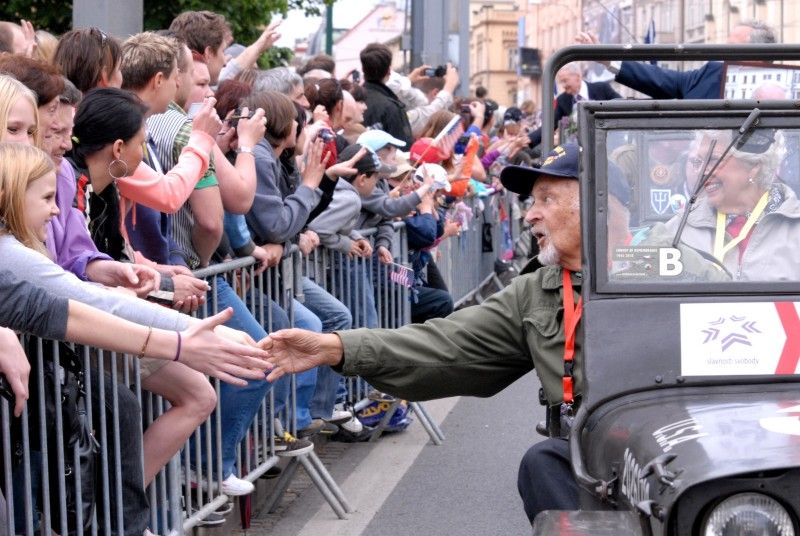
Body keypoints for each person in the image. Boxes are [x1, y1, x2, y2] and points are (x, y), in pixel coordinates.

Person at [260, 142, 602, 524]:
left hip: (664, 446)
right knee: (545, 464)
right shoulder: (537, 290)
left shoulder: (671, 271)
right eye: (532, 201)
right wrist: (335, 347)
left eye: (547, 199)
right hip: (589, 455)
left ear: (596, 199)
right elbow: (445, 343)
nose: (530, 216)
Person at [646, 128, 800, 280]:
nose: (701, 172)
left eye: (713, 160)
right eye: (698, 161)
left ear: (754, 166)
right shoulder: (678, 229)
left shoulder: (795, 229)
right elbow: (630, 278)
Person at [576, 20, 777, 100]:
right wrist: (608, 59)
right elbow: (663, 79)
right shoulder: (711, 74)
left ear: (759, 57)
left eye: (731, 48)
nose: (724, 53)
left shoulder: (782, 88)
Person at [527, 62, 621, 148]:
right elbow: (550, 124)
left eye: (565, 80)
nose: (563, 85)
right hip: (581, 149)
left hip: (609, 143)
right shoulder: (562, 100)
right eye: (561, 82)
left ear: (577, 76)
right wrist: (529, 140)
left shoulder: (602, 89)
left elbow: (621, 104)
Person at [360, 42, 414, 148]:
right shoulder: (391, 107)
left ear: (363, 69)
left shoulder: (352, 100)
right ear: (389, 71)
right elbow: (403, 145)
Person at [54, 26, 124, 93]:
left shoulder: (50, 102)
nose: (122, 75)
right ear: (104, 75)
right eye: (119, 68)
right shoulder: (120, 104)